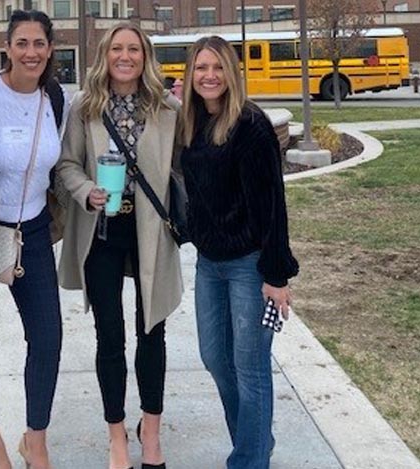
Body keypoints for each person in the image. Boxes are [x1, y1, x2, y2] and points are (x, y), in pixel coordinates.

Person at [57, 23, 182, 469]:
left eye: (133, 49)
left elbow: (185, 166)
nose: (125, 56)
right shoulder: (85, 107)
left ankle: (150, 432)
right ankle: (116, 436)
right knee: (109, 336)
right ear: (104, 55)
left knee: (153, 331)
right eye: (116, 49)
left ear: (145, 56)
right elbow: (66, 164)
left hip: (151, 231)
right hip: (102, 231)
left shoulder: (168, 108)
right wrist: (86, 189)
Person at [179, 36, 299, 469]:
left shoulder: (250, 125)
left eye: (217, 67)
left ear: (231, 73)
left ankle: (248, 460)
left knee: (250, 368)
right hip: (209, 264)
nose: (209, 75)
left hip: (250, 265)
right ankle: (255, 442)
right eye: (200, 67)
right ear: (190, 74)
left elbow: (271, 204)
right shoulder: (192, 124)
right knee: (215, 358)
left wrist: (276, 275)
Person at [0, 10, 67, 469]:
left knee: (47, 338)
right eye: (21, 43)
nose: (31, 52)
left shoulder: (54, 97)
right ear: (7, 47)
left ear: (49, 48)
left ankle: (36, 437)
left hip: (34, 231)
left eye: (39, 43)